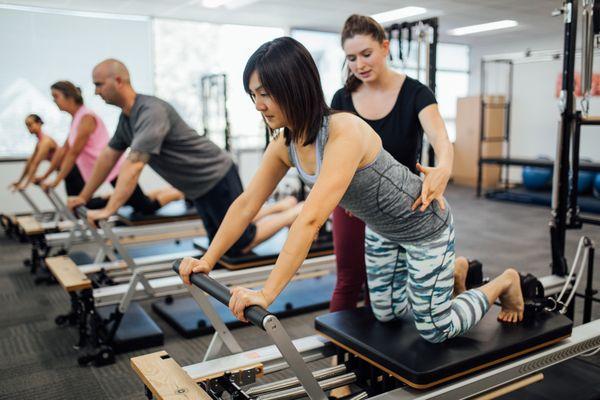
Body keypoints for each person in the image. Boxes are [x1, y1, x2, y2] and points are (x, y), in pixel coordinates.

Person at [178, 37, 524, 344]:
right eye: (253, 95)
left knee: (434, 328)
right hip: (382, 231)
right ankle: (454, 272)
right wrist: (208, 260)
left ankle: (503, 284)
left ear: (294, 87)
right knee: (385, 314)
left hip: (424, 226)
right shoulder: (286, 143)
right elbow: (246, 203)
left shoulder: (344, 132)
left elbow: (311, 220)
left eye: (265, 94)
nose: (258, 105)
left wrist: (267, 293)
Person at [68, 59, 301, 252]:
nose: (96, 92)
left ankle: (293, 212)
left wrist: (110, 210)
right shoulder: (127, 119)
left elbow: (134, 165)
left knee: (239, 242)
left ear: (118, 81)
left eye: (98, 84)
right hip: (198, 187)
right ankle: (284, 205)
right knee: (222, 240)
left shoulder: (151, 111)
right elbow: (108, 157)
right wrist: (84, 196)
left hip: (215, 175)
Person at [329, 15, 471, 311]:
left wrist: (443, 169)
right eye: (351, 58)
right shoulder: (342, 98)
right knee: (348, 280)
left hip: (398, 204)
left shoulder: (416, 93)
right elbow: (331, 154)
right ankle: (340, 356)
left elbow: (441, 140)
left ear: (385, 47)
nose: (359, 65)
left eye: (366, 54)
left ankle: (370, 355)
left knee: (384, 287)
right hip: (352, 205)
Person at [37, 80, 180, 214]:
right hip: (104, 170)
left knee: (144, 207)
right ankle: (166, 191)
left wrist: (55, 181)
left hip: (113, 168)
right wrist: (46, 176)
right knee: (136, 201)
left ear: (69, 96)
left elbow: (73, 153)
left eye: (56, 96)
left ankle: (179, 192)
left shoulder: (86, 117)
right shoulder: (76, 119)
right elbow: (64, 150)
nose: (54, 101)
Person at [9, 114, 58, 191]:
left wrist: (25, 185)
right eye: (27, 126)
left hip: (69, 171)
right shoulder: (39, 143)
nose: (29, 128)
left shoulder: (45, 142)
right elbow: (30, 162)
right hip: (62, 171)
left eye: (30, 125)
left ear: (38, 123)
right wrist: (20, 181)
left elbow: (35, 164)